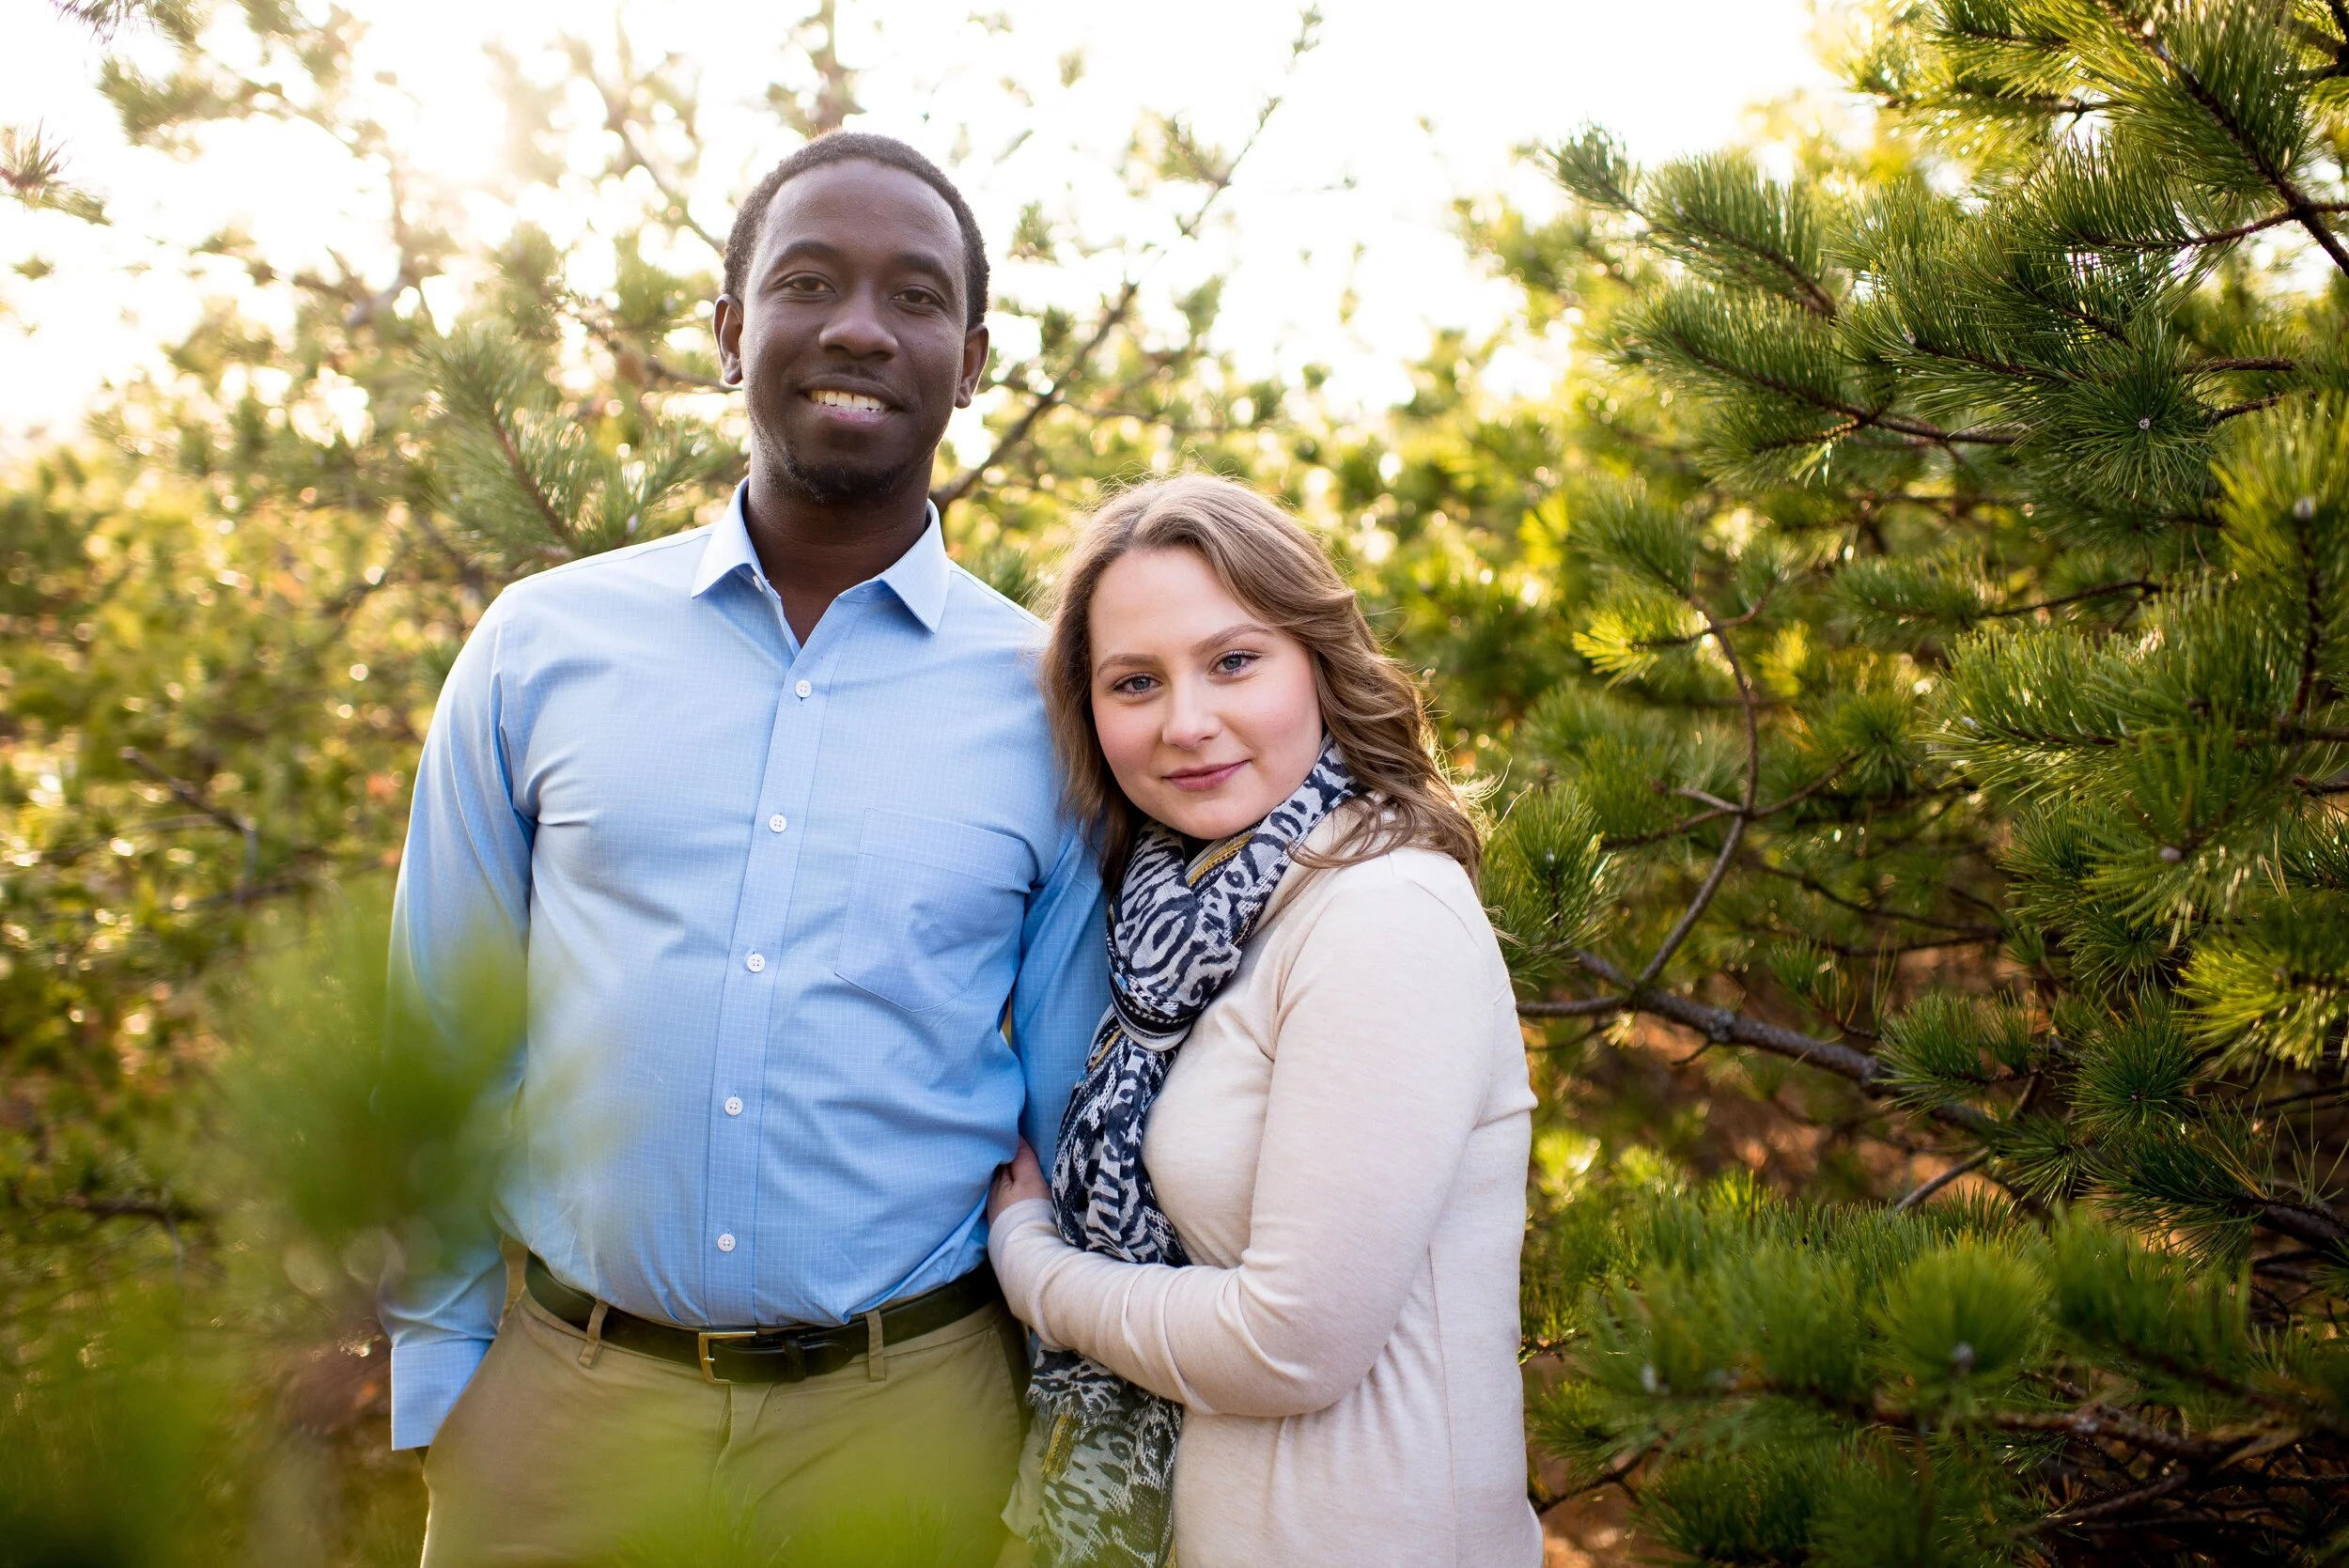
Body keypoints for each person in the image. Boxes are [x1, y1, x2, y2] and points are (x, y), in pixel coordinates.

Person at [383, 131, 1109, 1567]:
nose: (857, 326)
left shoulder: (1049, 702)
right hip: (563, 1424)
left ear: (968, 362)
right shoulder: (541, 645)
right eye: (808, 282)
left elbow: (1076, 1114)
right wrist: (443, 1387)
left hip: (911, 1435)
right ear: (730, 333)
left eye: (913, 297)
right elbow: (439, 1035)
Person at [984, 474, 1545, 1568]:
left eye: (1234, 661)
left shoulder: (1382, 911)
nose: (1187, 723)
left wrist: (1031, 1261)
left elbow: (1291, 1344)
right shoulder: (1173, 930)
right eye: (1134, 682)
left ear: (1320, 667)